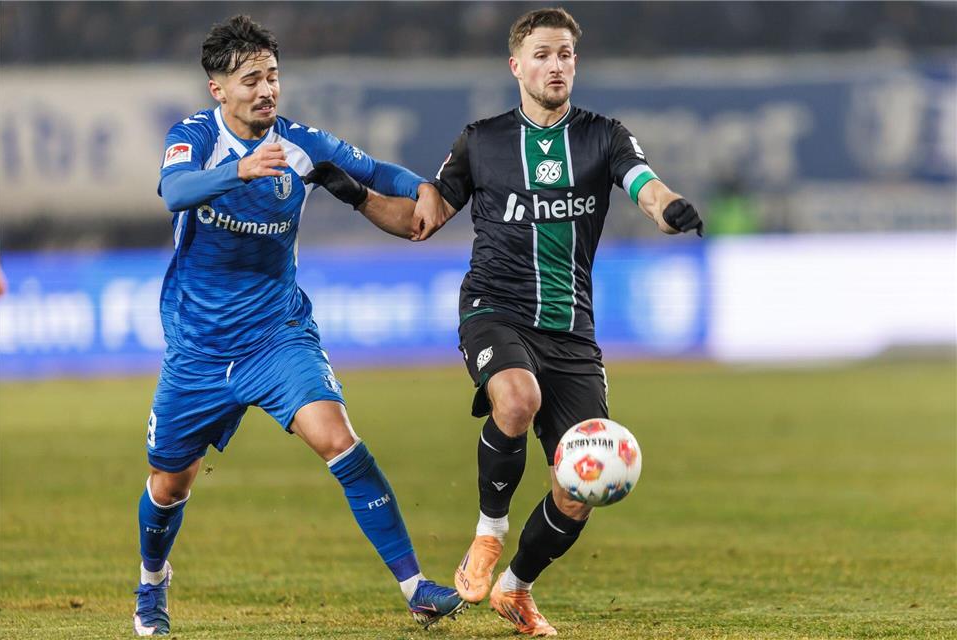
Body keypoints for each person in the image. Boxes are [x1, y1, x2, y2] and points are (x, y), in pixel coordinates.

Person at [312, 7, 704, 636]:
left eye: (566, 55)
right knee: (515, 398)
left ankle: (516, 588)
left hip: (572, 332)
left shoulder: (604, 136)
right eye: (544, 55)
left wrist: (670, 208)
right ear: (516, 65)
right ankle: (487, 533)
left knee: (581, 488)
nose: (556, 66)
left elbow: (644, 184)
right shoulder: (482, 140)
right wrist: (354, 192)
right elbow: (423, 218)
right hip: (494, 309)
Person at [134, 15, 463, 636]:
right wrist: (240, 171)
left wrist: (422, 187)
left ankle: (417, 587)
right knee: (168, 484)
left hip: (275, 336)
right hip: (197, 349)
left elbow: (373, 171)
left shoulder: (300, 143)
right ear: (218, 89)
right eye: (251, 78)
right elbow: (174, 192)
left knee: (339, 439)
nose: (266, 90)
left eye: (273, 76)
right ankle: (151, 587)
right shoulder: (195, 137)